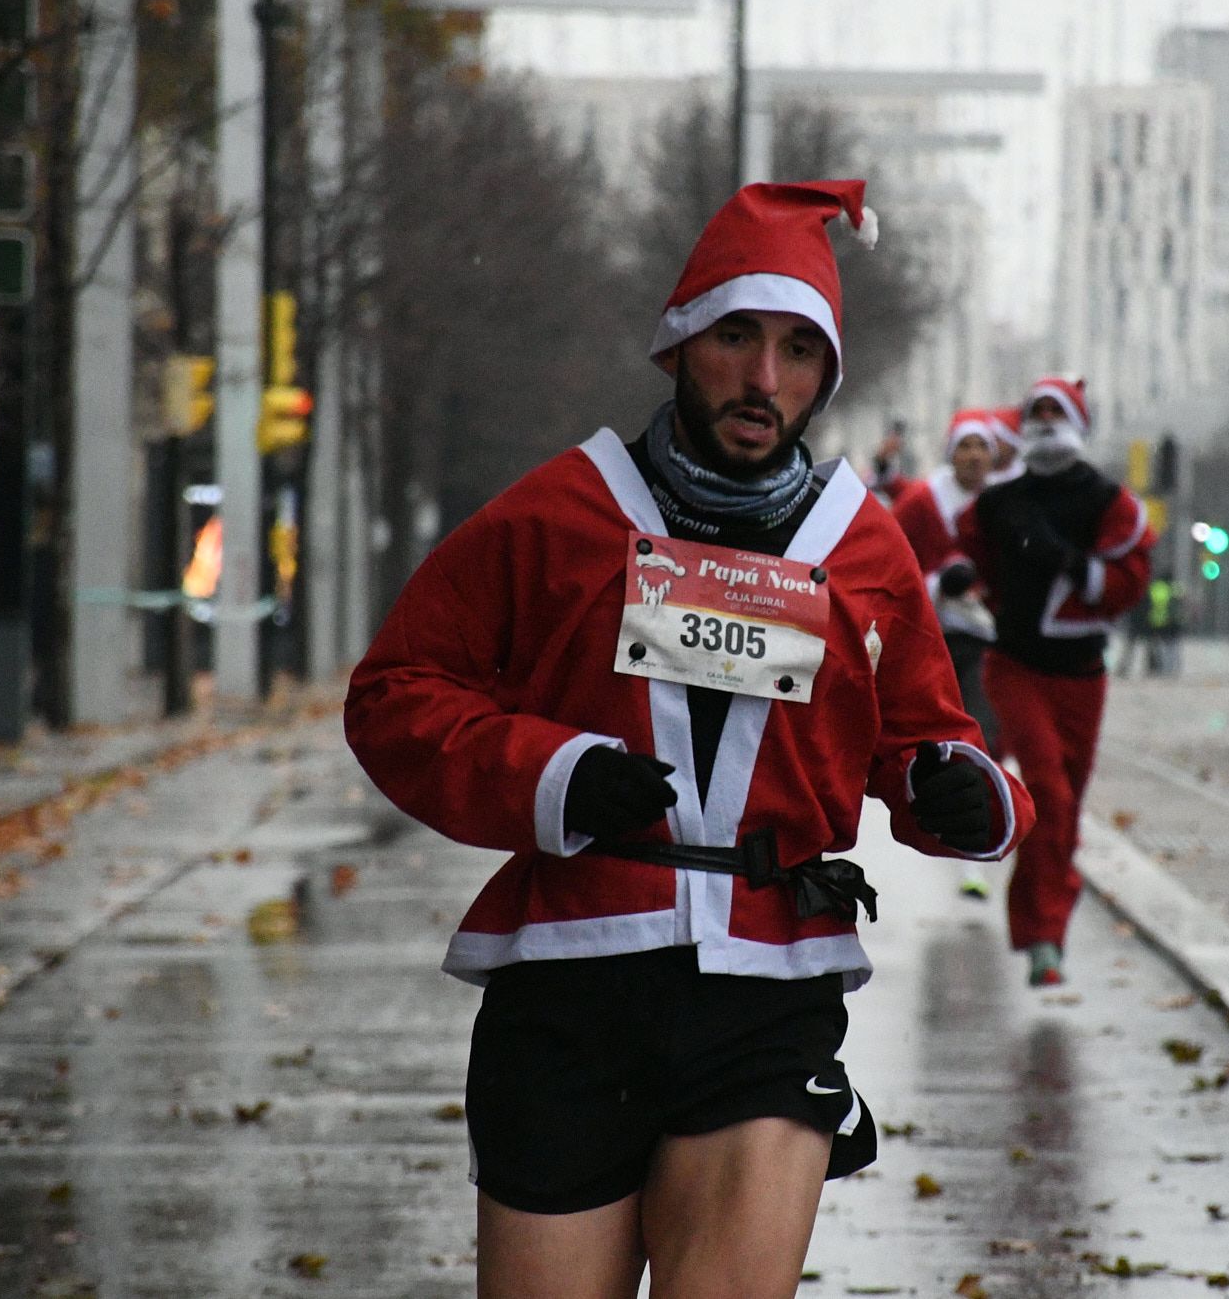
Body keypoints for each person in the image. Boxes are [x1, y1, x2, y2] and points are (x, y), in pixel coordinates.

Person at [344, 179, 1033, 1299]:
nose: (764, 379)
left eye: (798, 351)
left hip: (767, 989)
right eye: (735, 338)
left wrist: (960, 789)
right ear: (679, 344)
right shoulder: (562, 511)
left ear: (826, 376)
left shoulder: (859, 544)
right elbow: (394, 693)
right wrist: (556, 776)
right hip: (569, 985)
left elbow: (923, 740)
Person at [956, 376, 1153, 987]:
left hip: (1083, 675)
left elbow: (1129, 582)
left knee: (1067, 806)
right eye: (1035, 410)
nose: (1044, 419)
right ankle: (1042, 937)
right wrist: (962, 580)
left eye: (1055, 410)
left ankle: (1048, 926)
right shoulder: (997, 504)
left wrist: (1068, 561)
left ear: (1077, 420)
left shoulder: (1107, 500)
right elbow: (966, 554)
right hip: (1015, 666)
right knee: (1048, 791)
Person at [891, 409, 1004, 898]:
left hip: (985, 641)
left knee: (983, 737)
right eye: (965, 446)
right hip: (928, 637)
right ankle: (938, 826)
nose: (974, 457)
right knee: (931, 738)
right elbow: (890, 559)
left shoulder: (1003, 503)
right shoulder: (922, 502)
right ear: (950, 453)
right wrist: (939, 583)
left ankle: (975, 850)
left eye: (982, 447)